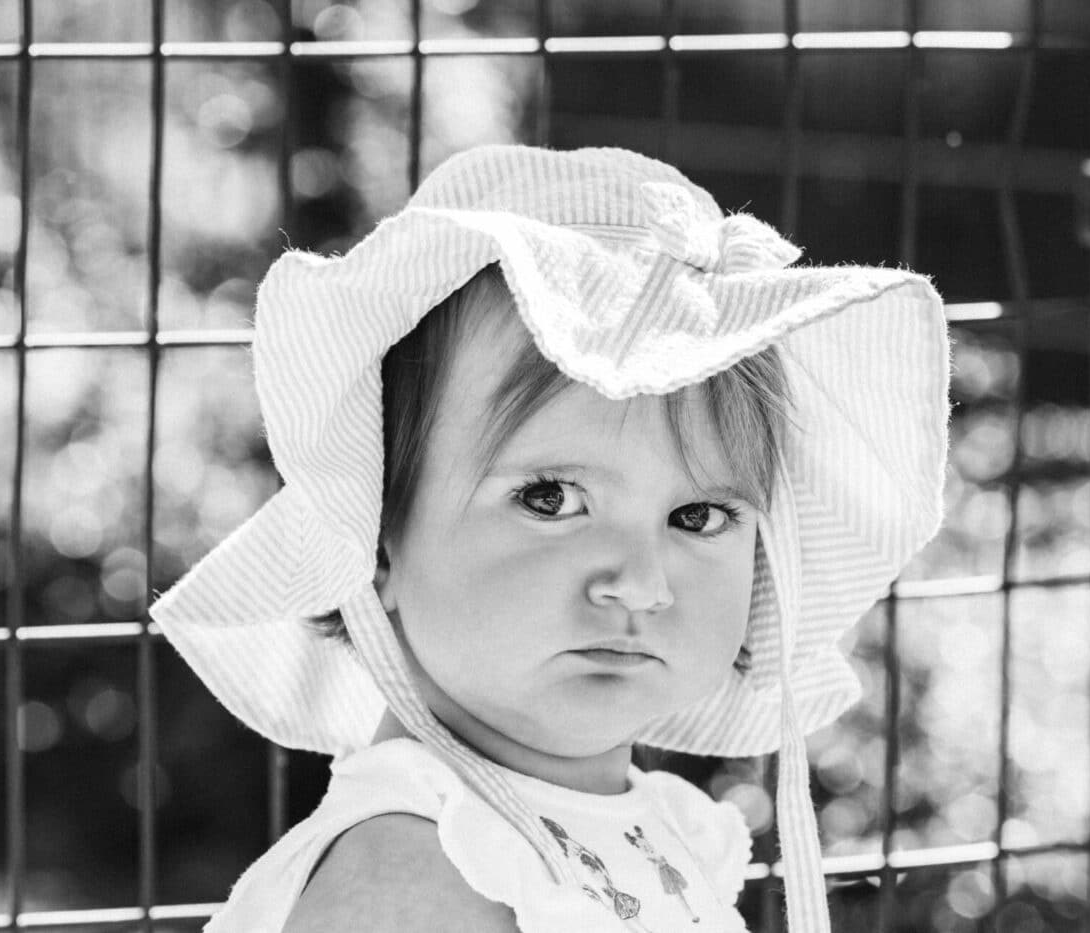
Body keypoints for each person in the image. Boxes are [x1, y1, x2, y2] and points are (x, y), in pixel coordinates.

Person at [150, 145, 950, 932]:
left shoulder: (651, 827)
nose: (640, 581)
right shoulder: (418, 867)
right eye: (550, 496)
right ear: (377, 537)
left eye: (698, 516)